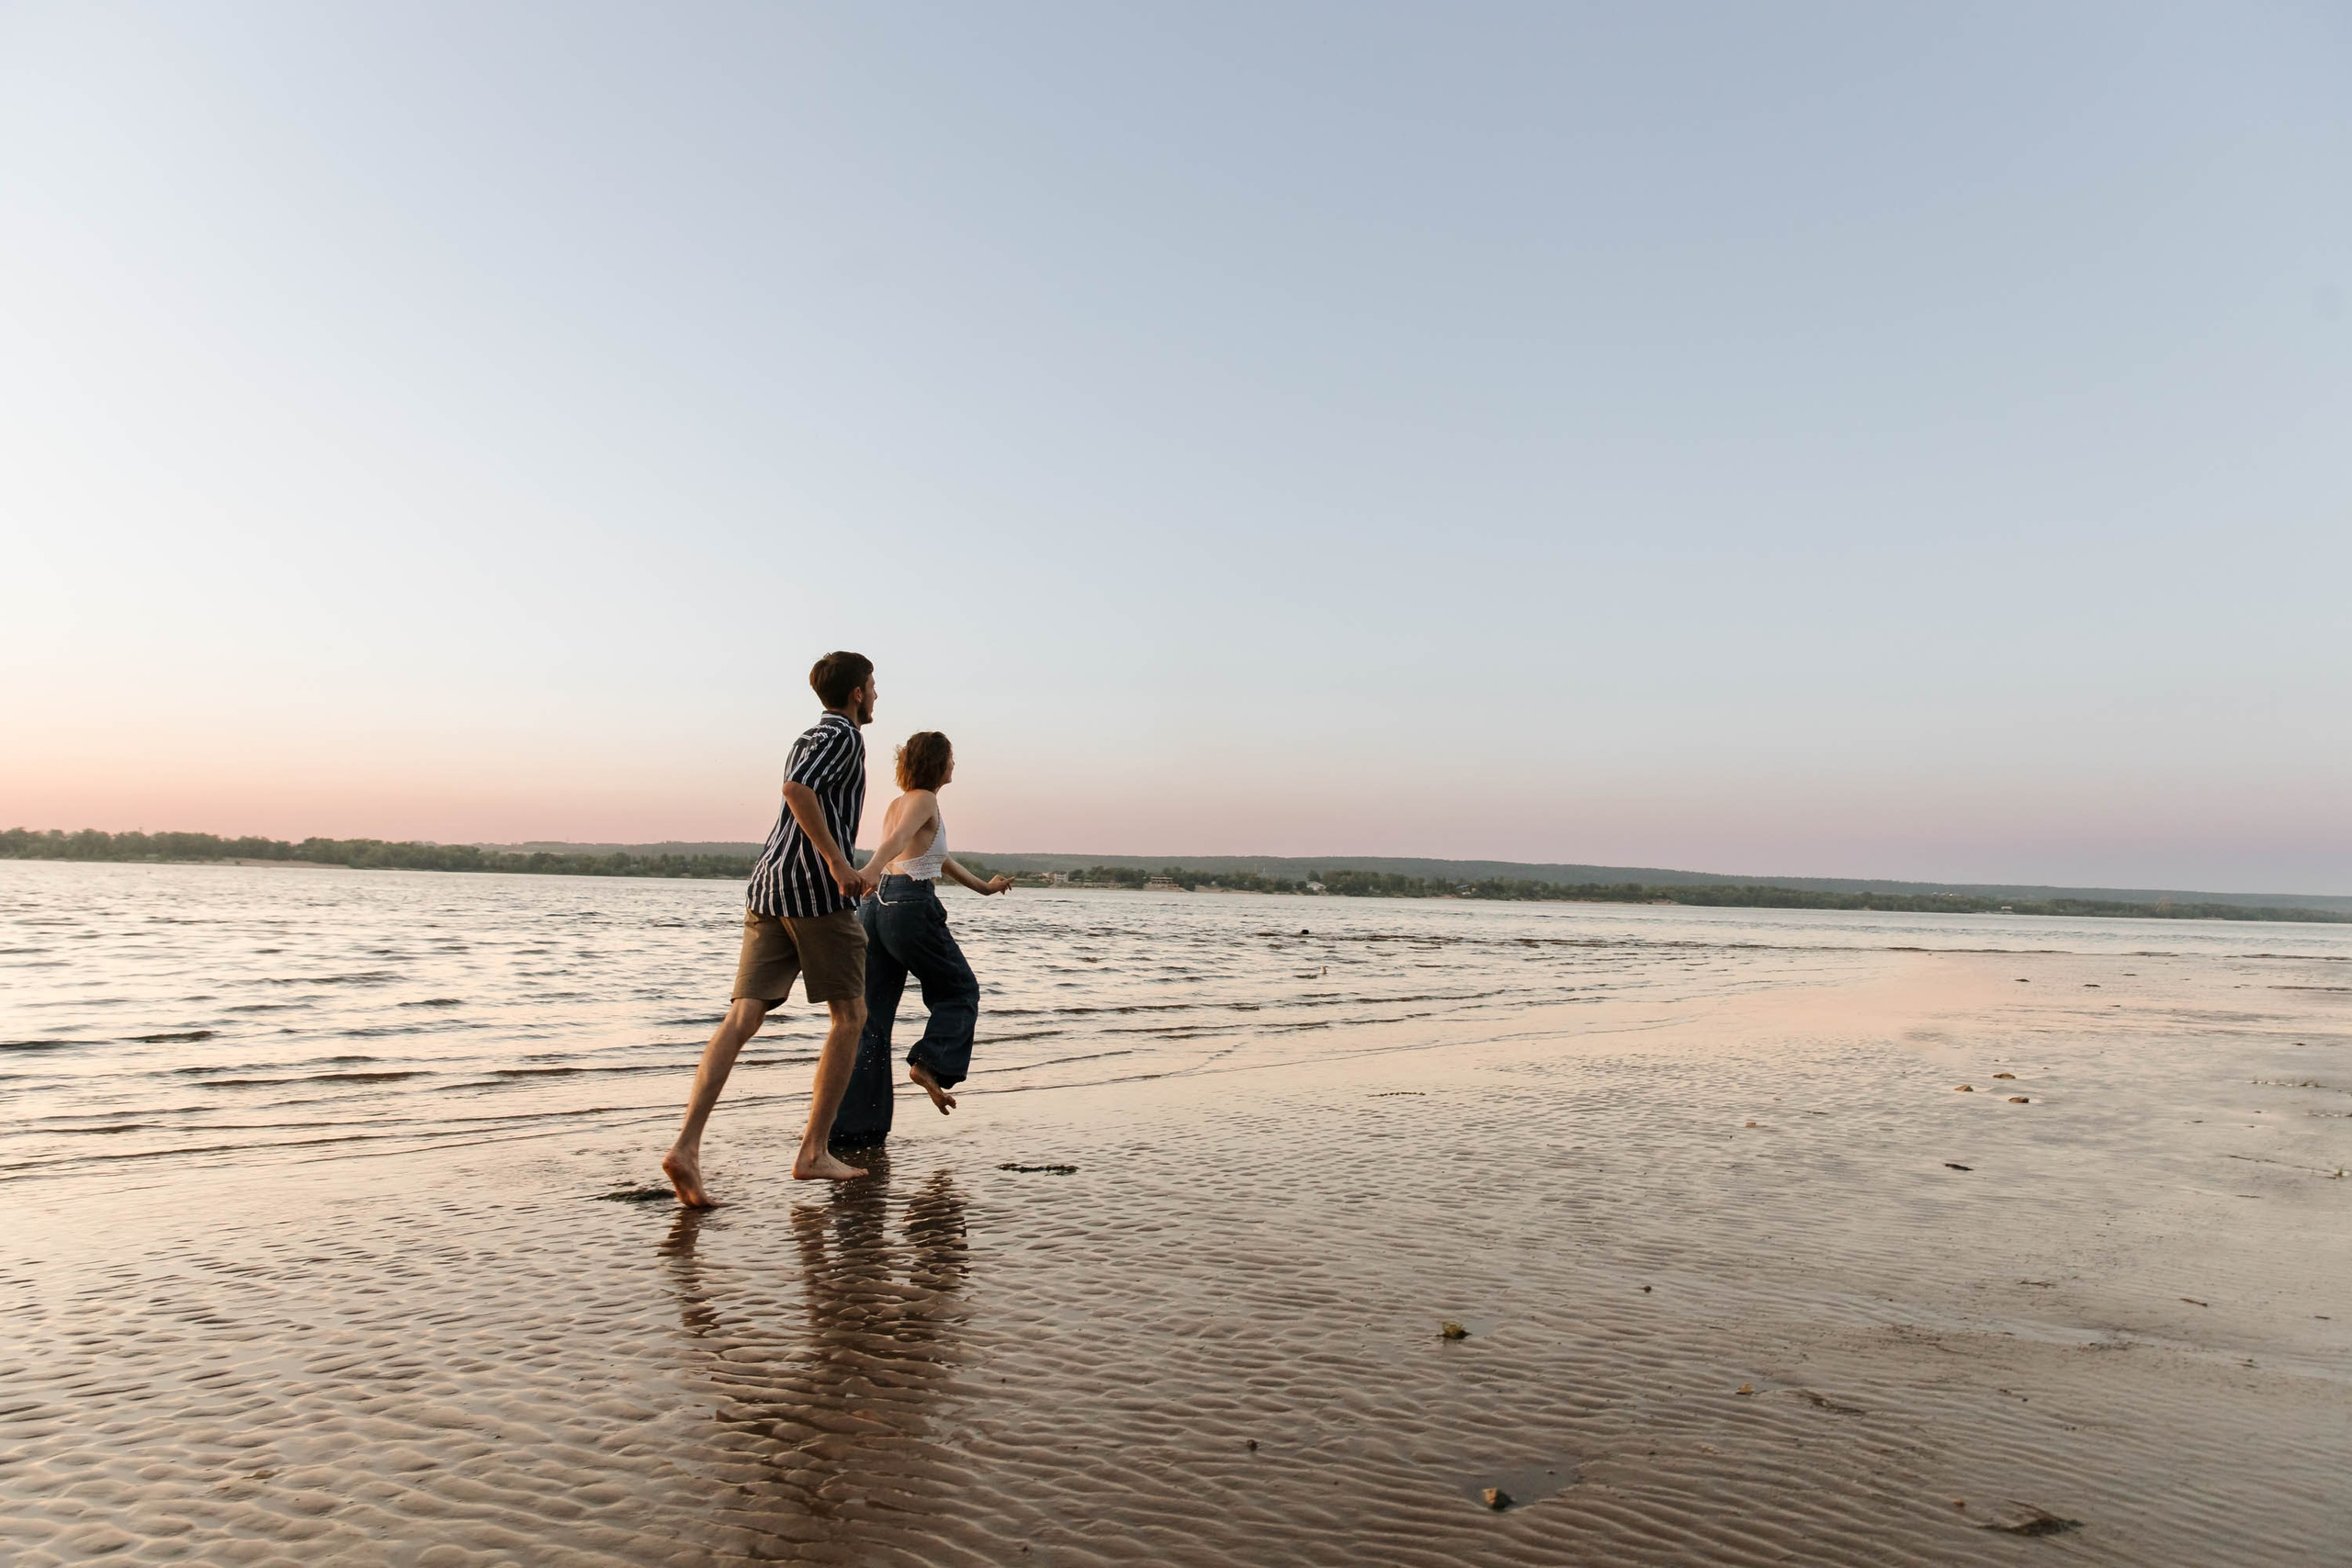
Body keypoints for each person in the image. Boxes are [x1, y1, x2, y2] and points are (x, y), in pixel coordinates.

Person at [662, 651, 878, 1205]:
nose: (877, 695)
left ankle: (686, 1146)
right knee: (851, 1017)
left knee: (742, 1017)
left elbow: (798, 788)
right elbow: (797, 790)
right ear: (856, 692)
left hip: (768, 888)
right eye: (873, 686)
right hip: (816, 894)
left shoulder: (807, 735)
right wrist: (838, 863)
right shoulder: (844, 737)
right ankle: (813, 1152)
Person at [828, 731, 1012, 1147]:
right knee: (960, 990)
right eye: (951, 757)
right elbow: (894, 845)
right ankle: (929, 1062)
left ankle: (855, 1131)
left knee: (871, 1021)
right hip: (908, 906)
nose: (954, 764)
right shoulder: (925, 799)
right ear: (936, 762)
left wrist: (985, 888)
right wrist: (868, 869)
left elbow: (936, 859)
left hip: (876, 908)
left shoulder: (900, 803)